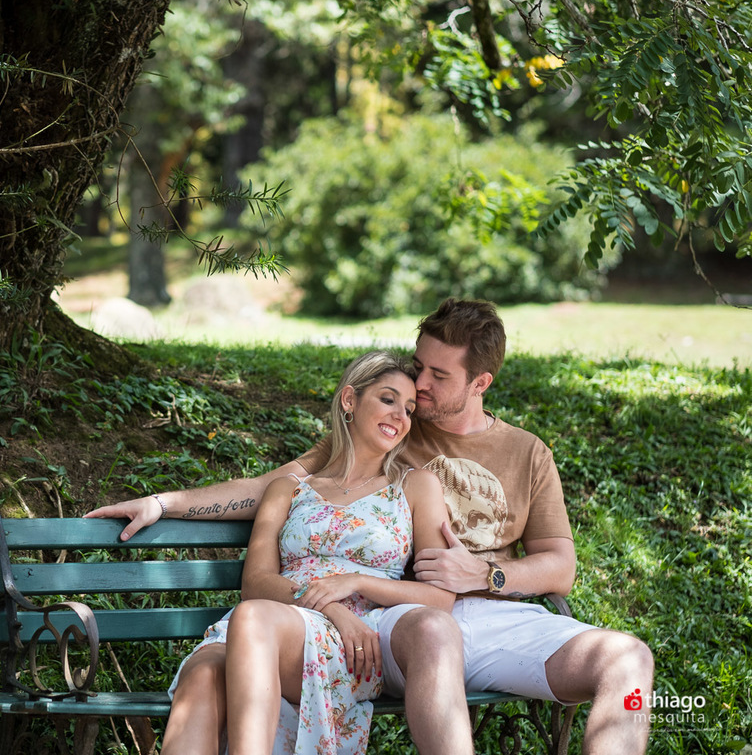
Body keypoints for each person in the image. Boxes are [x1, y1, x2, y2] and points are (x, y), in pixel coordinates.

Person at [88, 298, 655, 755]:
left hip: (488, 614)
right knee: (430, 632)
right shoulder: (388, 433)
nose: (418, 385)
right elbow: (275, 489)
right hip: (399, 623)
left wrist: (486, 574)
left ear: (480, 383)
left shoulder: (527, 452)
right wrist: (167, 501)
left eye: (436, 375)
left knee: (628, 662)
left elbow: (560, 565)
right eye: (417, 366)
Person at [161, 351, 455, 755]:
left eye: (408, 409)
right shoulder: (289, 489)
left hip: (353, 636)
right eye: (388, 400)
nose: (400, 416)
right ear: (350, 400)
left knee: (253, 619)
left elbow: (440, 598)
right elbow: (256, 583)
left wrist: (353, 584)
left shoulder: (415, 486)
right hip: (274, 618)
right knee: (203, 675)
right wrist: (325, 605)